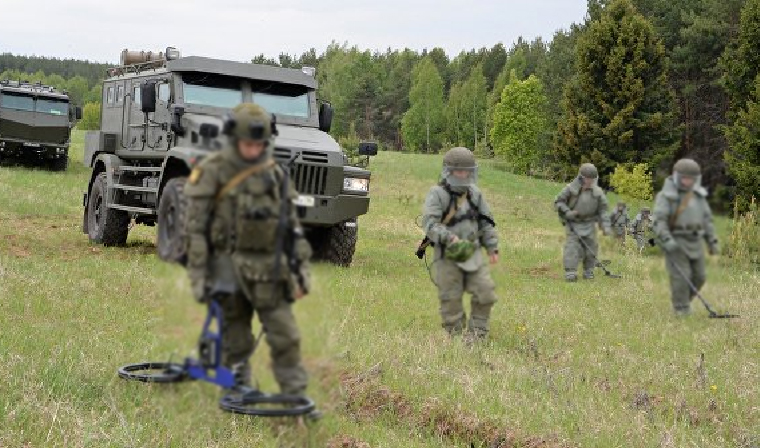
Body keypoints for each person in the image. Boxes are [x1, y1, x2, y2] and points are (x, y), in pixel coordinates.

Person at [184, 103, 312, 397]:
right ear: (233, 138)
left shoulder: (276, 175)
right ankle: (236, 392)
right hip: (226, 266)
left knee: (285, 335)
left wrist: (301, 272)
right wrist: (199, 276)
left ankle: (294, 398)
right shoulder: (212, 171)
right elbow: (195, 231)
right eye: (247, 144)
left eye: (259, 144)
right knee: (235, 337)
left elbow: (292, 229)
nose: (254, 150)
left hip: (270, 267)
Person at [422, 147, 499, 341]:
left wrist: (492, 246)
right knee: (451, 300)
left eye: (467, 171)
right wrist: (449, 238)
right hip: (446, 256)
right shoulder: (437, 194)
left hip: (472, 253)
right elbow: (430, 224)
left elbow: (486, 222)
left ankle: (477, 335)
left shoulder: (475, 194)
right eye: (459, 171)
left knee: (485, 292)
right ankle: (454, 337)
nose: (463, 175)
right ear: (448, 171)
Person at [653, 159, 718, 316]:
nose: (687, 181)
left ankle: (683, 300)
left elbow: (707, 220)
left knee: (700, 277)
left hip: (695, 241)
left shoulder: (698, 196)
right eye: (684, 178)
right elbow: (659, 220)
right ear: (677, 176)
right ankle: (681, 308)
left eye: (691, 178)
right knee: (681, 277)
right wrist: (666, 238)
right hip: (676, 240)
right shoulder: (666, 196)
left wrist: (712, 241)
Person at [554, 163, 611, 281]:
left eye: (592, 179)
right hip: (574, 223)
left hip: (589, 224)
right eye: (588, 179)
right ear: (581, 177)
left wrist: (605, 226)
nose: (590, 182)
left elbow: (603, 210)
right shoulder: (570, 189)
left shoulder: (598, 192)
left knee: (591, 248)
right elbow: (558, 202)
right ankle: (571, 272)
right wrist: (567, 212)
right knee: (572, 247)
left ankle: (588, 271)